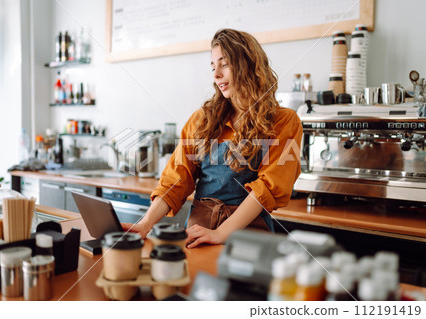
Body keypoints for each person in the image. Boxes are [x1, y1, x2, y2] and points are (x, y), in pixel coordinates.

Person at [123, 29, 302, 248]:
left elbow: (267, 188)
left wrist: (220, 233)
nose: (216, 74)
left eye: (224, 64)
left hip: (250, 237)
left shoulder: (284, 121)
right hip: (199, 234)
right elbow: (176, 180)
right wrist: (145, 224)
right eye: (213, 67)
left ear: (248, 64)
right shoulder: (201, 120)